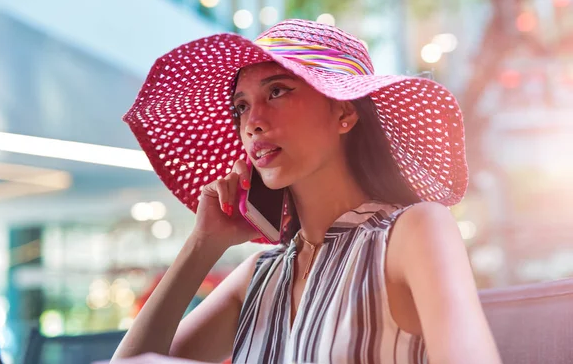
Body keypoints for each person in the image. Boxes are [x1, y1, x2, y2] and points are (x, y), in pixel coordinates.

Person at [112, 19, 502, 364]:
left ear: (345, 112)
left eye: (278, 91)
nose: (253, 123)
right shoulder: (259, 277)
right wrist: (203, 245)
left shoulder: (412, 231)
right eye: (241, 107)